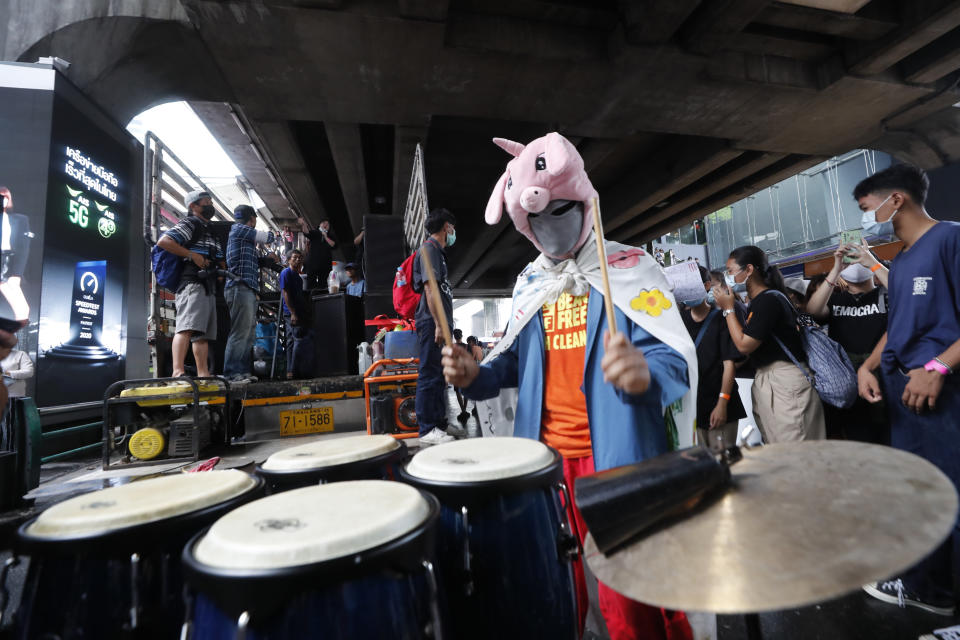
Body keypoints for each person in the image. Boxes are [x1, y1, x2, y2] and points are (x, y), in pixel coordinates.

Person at [442, 133, 695, 640]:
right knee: (561, 588)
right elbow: (509, 366)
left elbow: (674, 357)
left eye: (561, 209)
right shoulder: (531, 284)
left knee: (631, 600)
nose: (550, 223)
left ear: (584, 202)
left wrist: (644, 374)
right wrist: (476, 375)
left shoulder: (628, 268)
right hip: (548, 469)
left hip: (619, 463)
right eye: (537, 218)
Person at [852, 164, 959, 617]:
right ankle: (929, 588)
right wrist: (869, 366)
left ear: (896, 199)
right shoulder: (904, 256)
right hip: (904, 393)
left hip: (939, 392)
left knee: (950, 493)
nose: (865, 216)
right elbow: (899, 328)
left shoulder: (951, 238)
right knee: (920, 494)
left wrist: (937, 366)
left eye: (866, 207)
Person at [712, 245, 825, 443]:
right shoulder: (760, 301)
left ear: (749, 270)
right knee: (777, 447)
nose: (728, 277)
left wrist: (729, 309)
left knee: (796, 450)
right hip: (771, 379)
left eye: (730, 271)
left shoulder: (769, 301)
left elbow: (744, 345)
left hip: (784, 382)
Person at [806, 245, 890, 444]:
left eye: (859, 257)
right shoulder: (835, 300)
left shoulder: (885, 295)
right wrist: (836, 269)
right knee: (859, 438)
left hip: (885, 379)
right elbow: (811, 312)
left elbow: (906, 294)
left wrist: (871, 262)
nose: (856, 263)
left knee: (890, 436)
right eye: (851, 260)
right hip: (849, 382)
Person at [157, 189, 224, 378]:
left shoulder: (211, 230)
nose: (210, 206)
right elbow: (164, 241)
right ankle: (178, 371)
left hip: (208, 286)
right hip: (192, 283)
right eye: (206, 203)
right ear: (193, 206)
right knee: (186, 328)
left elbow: (219, 258)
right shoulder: (190, 223)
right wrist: (191, 255)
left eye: (211, 202)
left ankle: (203, 373)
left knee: (201, 334)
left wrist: (220, 274)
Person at [680, 266, 746, 450]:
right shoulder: (680, 320)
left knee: (723, 462)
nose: (686, 292)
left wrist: (722, 403)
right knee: (702, 466)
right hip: (694, 408)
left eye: (690, 287)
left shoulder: (721, 318)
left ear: (706, 285)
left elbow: (729, 366)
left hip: (720, 404)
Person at [412, 208, 457, 445]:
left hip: (439, 323)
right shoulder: (429, 249)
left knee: (439, 375)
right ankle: (427, 428)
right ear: (447, 227)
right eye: (452, 228)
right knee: (429, 372)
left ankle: (439, 424)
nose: (453, 233)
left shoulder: (437, 252)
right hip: (432, 323)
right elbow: (430, 289)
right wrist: (439, 325)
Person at [224, 205, 277, 381]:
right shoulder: (240, 229)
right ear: (252, 219)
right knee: (240, 332)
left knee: (248, 333)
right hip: (240, 287)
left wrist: (266, 260)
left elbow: (251, 261)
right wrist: (276, 234)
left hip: (246, 288)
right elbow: (268, 237)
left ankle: (242, 372)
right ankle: (232, 373)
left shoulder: (241, 236)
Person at [0, 187, 32, 321]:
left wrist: (17, 274)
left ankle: (20, 340)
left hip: (9, 264)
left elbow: (24, 249)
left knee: (23, 309)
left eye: (5, 197)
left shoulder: (21, 219)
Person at [279, 250, 312, 379]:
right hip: (290, 313)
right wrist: (292, 312)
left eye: (300, 258)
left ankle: (293, 370)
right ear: (288, 260)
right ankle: (292, 371)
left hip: (298, 312)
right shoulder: (286, 273)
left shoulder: (298, 277)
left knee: (294, 340)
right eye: (295, 258)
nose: (298, 260)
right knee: (295, 340)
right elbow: (285, 293)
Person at [299, 217, 337, 289]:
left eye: (327, 224)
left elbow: (334, 245)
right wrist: (304, 224)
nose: (326, 225)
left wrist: (325, 237)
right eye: (324, 223)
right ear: (319, 225)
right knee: (310, 284)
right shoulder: (315, 233)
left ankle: (321, 298)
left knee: (323, 285)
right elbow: (306, 233)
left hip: (325, 266)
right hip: (312, 264)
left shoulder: (330, 236)